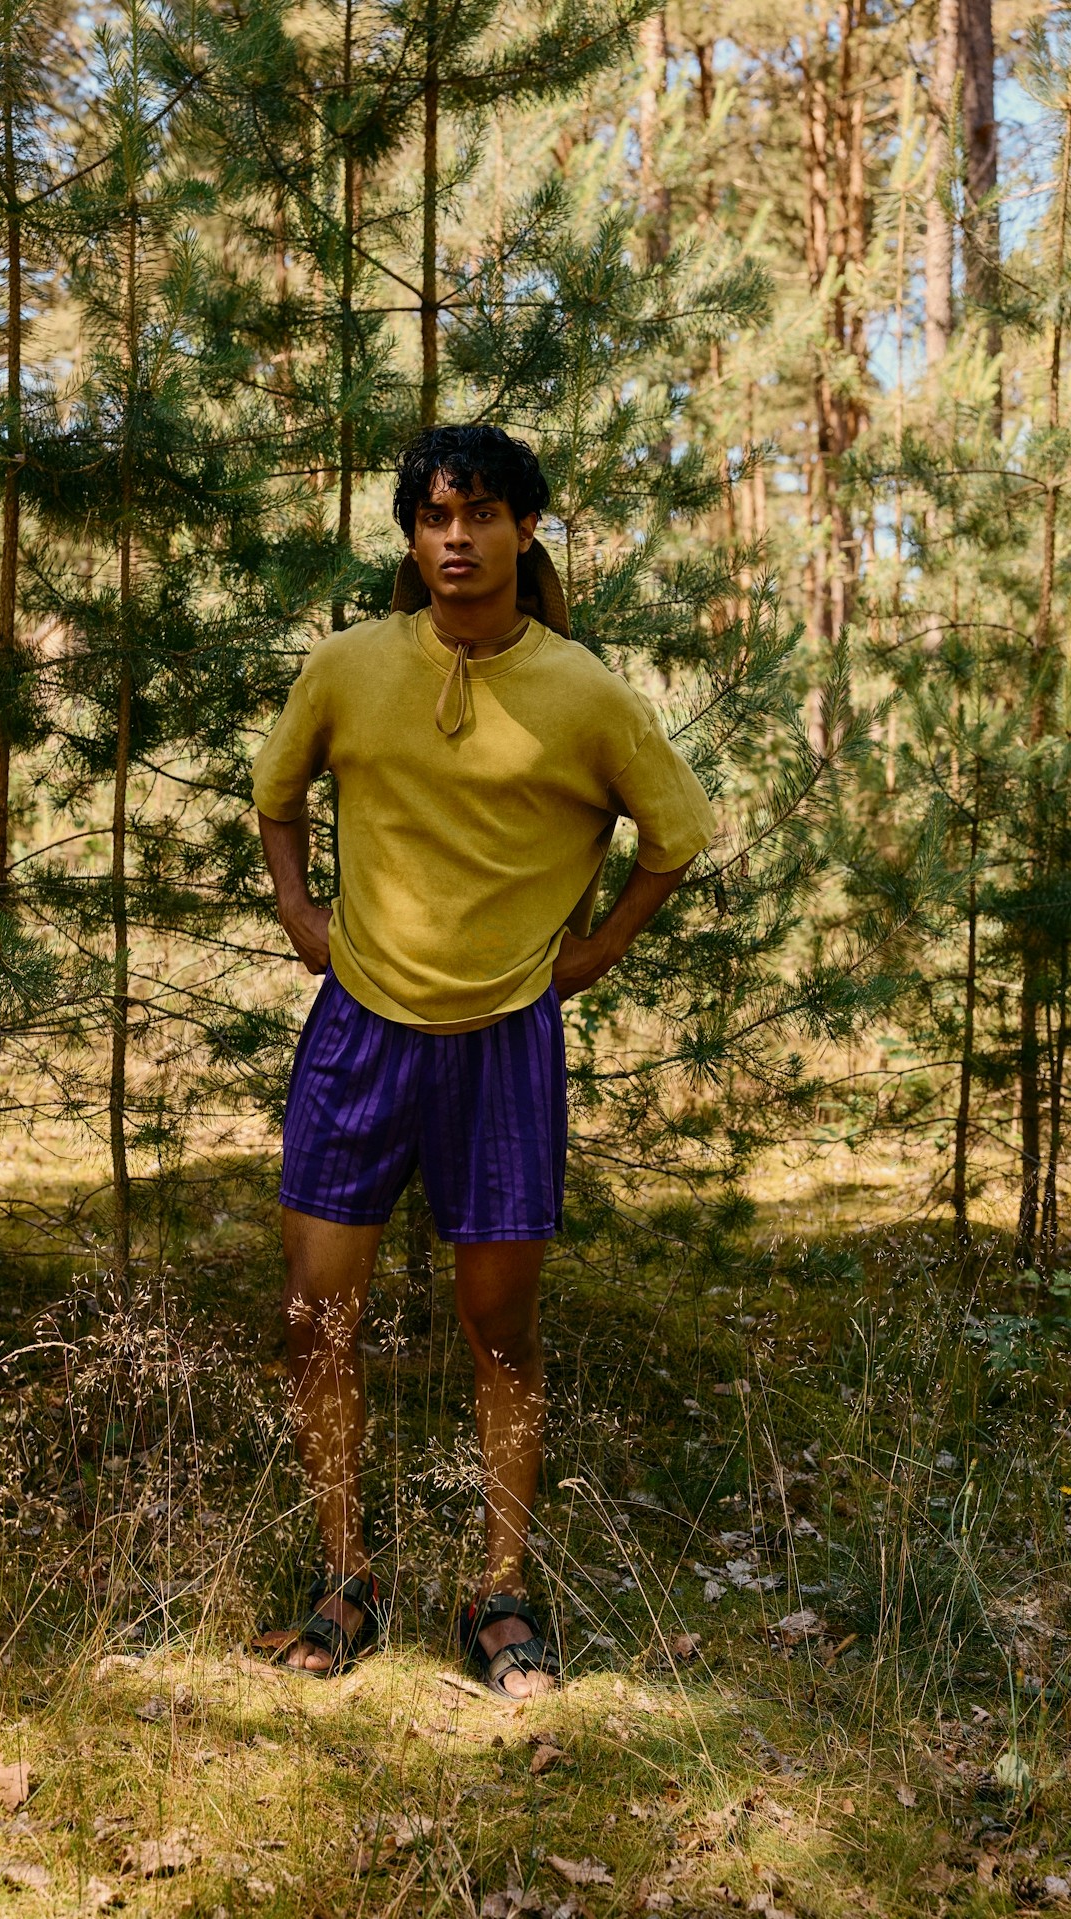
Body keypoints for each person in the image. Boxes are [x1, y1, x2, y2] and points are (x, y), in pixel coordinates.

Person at [251, 424, 715, 1697]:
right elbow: (276, 796)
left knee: (500, 1332)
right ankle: (344, 1576)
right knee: (313, 1317)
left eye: (481, 514)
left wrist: (600, 947)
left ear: (521, 530)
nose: (456, 537)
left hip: (504, 1038)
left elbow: (672, 833)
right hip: (357, 1029)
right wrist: (300, 912)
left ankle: (500, 1588)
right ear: (412, 537)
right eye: (433, 517)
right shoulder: (348, 667)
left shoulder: (584, 690)